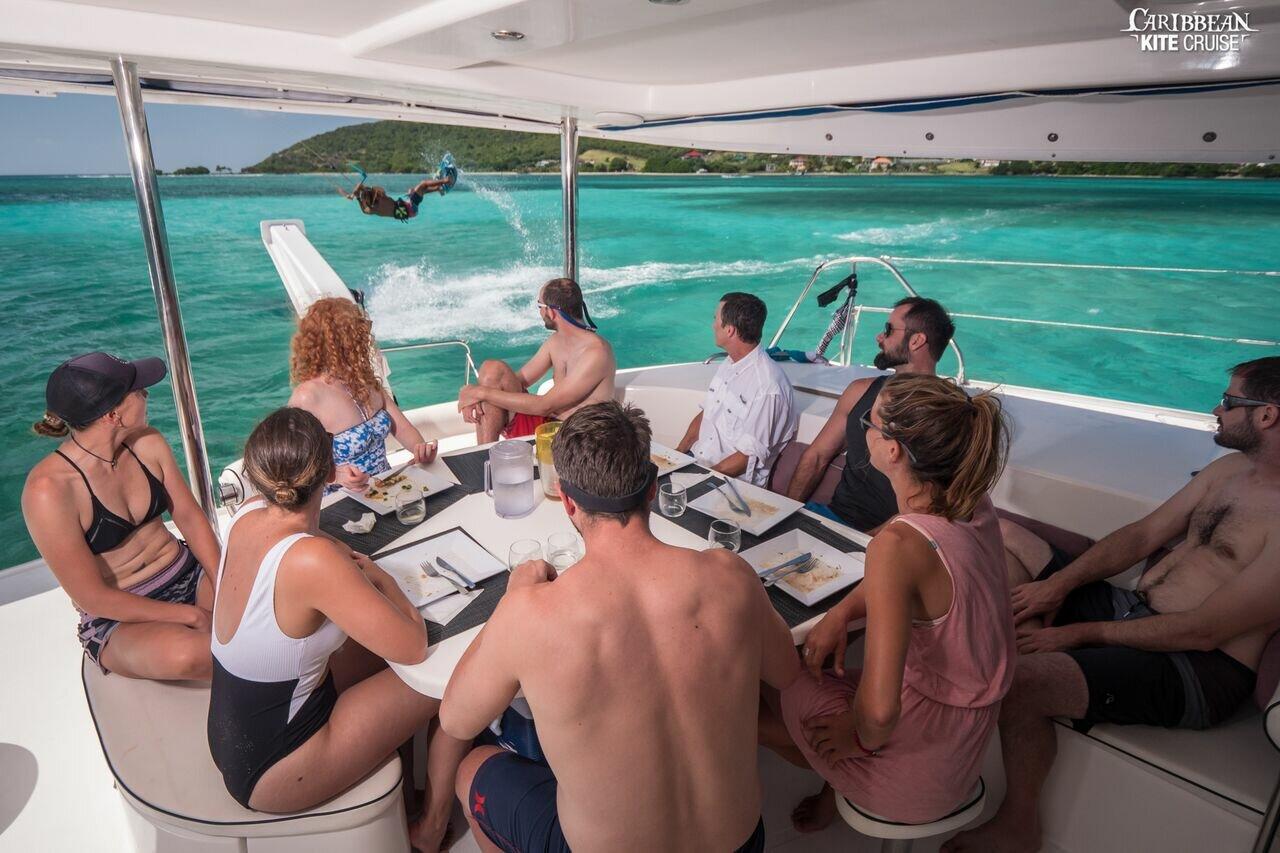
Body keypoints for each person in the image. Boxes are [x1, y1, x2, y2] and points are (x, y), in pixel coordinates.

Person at [946, 356, 1280, 853]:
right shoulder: (1230, 470)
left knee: (1014, 684)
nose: (1216, 409)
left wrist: (1077, 633)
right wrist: (1058, 586)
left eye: (1229, 401)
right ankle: (1027, 640)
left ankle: (1018, 825)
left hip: (1194, 665)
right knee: (1000, 539)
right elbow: (1143, 535)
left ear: (1267, 415)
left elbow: (1205, 630)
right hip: (1130, 608)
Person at [440, 401, 799, 852]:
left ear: (567, 501)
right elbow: (786, 671)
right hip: (741, 844)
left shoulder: (531, 615)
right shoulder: (731, 576)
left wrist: (513, 600)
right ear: (652, 489)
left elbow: (455, 720)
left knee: (471, 769)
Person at [760, 374, 1015, 832]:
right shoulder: (971, 502)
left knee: (784, 678)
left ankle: (746, 733)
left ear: (892, 450)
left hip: (913, 778)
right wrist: (841, 612)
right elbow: (914, 577)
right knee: (818, 673)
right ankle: (831, 776)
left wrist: (859, 737)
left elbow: (879, 713)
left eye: (869, 424)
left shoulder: (895, 545)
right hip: (962, 745)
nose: (864, 432)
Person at [208, 407, 468, 852]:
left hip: (236, 736)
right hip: (279, 764)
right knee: (448, 675)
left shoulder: (246, 516)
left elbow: (330, 552)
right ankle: (429, 830)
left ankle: (406, 795)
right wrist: (384, 580)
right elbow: (411, 645)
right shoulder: (311, 560)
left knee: (376, 648)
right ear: (330, 470)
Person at [22, 353, 220, 681]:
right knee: (192, 654)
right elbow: (92, 597)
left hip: (187, 573)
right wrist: (192, 616)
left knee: (265, 614)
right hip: (121, 617)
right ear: (113, 415)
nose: (146, 394)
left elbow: (189, 517)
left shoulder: (148, 442)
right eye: (138, 391)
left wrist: (220, 580)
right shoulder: (48, 491)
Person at [785, 296, 955, 533]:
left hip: (896, 538)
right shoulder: (860, 391)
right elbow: (816, 457)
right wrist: (786, 514)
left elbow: (935, 505)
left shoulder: (951, 413)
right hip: (834, 518)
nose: (879, 337)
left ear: (917, 340)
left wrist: (865, 542)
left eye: (888, 329)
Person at [289, 297, 438, 494]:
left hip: (385, 490)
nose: (364, 342)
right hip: (339, 500)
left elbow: (403, 429)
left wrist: (420, 450)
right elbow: (292, 465)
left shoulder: (365, 381)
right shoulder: (307, 396)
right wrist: (336, 476)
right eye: (356, 336)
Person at [457, 277, 616, 443]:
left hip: (578, 437)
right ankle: (484, 455)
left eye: (540, 306)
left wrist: (479, 393)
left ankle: (486, 456)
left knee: (488, 392)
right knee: (492, 369)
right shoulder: (555, 342)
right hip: (549, 425)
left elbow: (545, 405)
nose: (539, 312)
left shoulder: (597, 353)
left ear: (551, 312)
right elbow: (513, 380)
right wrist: (476, 397)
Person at [674, 292, 798, 486]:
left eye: (716, 319)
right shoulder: (730, 362)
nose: (713, 325)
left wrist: (700, 482)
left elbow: (746, 458)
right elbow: (707, 414)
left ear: (730, 330)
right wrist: (676, 456)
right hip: (699, 463)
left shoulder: (767, 387)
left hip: (729, 484)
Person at [348, 174, 454, 222]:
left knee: (413, 191)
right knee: (423, 184)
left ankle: (439, 189)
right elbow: (375, 189)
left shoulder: (373, 209)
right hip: (409, 207)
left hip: (409, 212)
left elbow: (364, 210)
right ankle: (446, 180)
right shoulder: (381, 197)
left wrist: (357, 197)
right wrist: (361, 189)